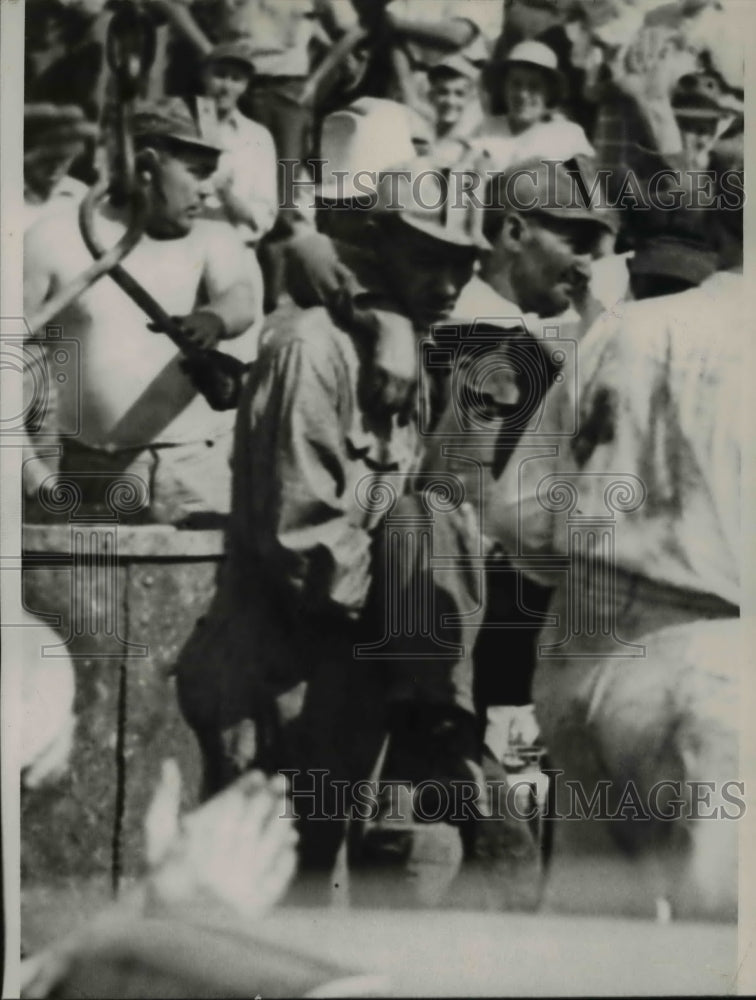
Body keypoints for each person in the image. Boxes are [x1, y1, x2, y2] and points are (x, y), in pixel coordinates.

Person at [174, 157, 542, 905]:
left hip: (342, 686)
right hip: (270, 682)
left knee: (324, 909)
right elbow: (301, 540)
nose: (444, 285)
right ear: (378, 246)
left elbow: (417, 513)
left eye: (460, 266)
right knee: (259, 912)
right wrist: (402, 625)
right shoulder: (313, 351)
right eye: (426, 260)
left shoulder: (401, 366)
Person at [484, 186, 744, 921]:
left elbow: (515, 515)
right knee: (718, 948)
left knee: (594, 947)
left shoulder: (624, 327)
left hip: (586, 652)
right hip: (717, 660)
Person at [23, 98, 261, 525]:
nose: (208, 190)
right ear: (147, 166)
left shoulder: (213, 236)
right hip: (89, 470)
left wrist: (213, 319)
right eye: (196, 173)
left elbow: (240, 297)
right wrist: (27, 467)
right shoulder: (58, 235)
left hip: (192, 473)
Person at [195, 39, 278, 247]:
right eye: (220, 75)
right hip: (181, 241)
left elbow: (262, 217)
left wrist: (226, 195)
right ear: (203, 76)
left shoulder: (258, 137)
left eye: (236, 79)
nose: (226, 87)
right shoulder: (180, 123)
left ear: (246, 85)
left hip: (233, 244)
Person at [472, 40, 594, 172]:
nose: (523, 95)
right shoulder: (485, 129)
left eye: (534, 86)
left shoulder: (568, 135)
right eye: (516, 84)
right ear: (504, 87)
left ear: (549, 93)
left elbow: (589, 189)